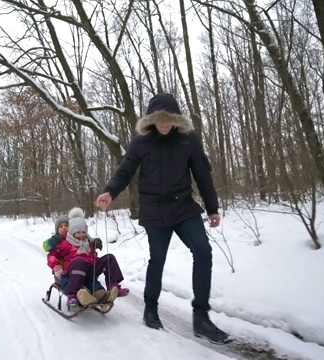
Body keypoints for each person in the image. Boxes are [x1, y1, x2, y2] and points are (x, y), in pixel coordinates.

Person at [94, 93, 230, 344]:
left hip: (183, 208)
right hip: (154, 211)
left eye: (169, 119)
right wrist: (110, 191)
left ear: (177, 119)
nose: (164, 124)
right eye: (159, 119)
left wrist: (212, 208)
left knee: (203, 252)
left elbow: (202, 174)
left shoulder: (188, 140)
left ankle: (201, 318)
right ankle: (150, 309)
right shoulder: (141, 143)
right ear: (151, 121)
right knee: (157, 259)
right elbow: (125, 171)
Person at [47, 207, 129, 312]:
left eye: (83, 232)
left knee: (109, 258)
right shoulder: (66, 244)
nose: (81, 235)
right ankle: (73, 295)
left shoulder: (88, 243)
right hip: (74, 272)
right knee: (80, 261)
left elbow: (93, 257)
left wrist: (100, 263)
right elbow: (52, 255)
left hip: (89, 271)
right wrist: (56, 266)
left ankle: (113, 286)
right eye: (78, 232)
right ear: (72, 232)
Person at [43, 214, 107, 304]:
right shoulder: (57, 241)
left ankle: (99, 294)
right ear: (57, 230)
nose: (64, 228)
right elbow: (48, 250)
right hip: (64, 270)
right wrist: (51, 243)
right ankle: (78, 295)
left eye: (66, 225)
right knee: (70, 281)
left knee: (90, 281)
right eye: (61, 226)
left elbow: (87, 240)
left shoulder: (77, 236)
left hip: (82, 268)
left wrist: (94, 242)